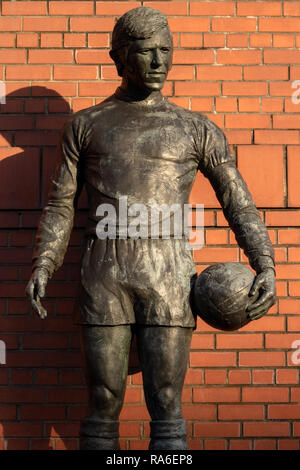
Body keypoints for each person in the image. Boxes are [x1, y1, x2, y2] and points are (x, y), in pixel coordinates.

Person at [26, 7, 276, 450]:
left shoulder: (195, 128)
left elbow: (238, 202)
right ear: (119, 57)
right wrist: (44, 263)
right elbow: (61, 205)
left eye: (166, 50)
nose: (159, 62)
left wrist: (266, 264)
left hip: (169, 277)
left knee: (166, 403)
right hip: (104, 277)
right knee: (103, 400)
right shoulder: (85, 126)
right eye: (146, 52)